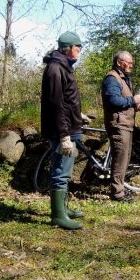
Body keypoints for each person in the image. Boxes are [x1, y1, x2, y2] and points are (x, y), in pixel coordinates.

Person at [41, 31, 85, 230]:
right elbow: (56, 105)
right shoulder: (55, 69)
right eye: (78, 48)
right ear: (68, 49)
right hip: (63, 131)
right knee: (60, 170)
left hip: (70, 127)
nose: (80, 51)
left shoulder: (64, 67)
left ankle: (63, 208)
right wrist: (64, 136)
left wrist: (79, 115)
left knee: (65, 170)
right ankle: (58, 215)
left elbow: (67, 101)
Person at [102, 51, 140, 202]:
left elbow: (123, 102)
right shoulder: (112, 79)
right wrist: (132, 100)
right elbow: (113, 101)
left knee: (125, 158)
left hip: (125, 124)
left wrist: (134, 106)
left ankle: (120, 189)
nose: (131, 65)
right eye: (129, 62)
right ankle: (117, 193)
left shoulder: (123, 78)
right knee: (120, 159)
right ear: (120, 62)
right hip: (118, 125)